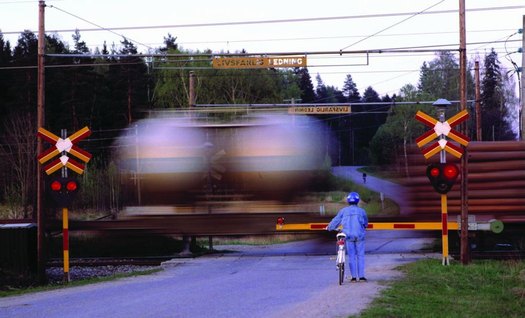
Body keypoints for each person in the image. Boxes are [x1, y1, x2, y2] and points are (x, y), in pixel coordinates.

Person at [326, 192, 368, 282]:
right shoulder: (362, 211)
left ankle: (353, 277)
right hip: (360, 236)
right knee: (360, 256)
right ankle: (361, 277)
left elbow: (335, 221)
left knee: (351, 256)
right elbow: (365, 224)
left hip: (348, 237)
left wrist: (329, 227)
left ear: (348, 201)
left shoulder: (343, 211)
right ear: (358, 201)